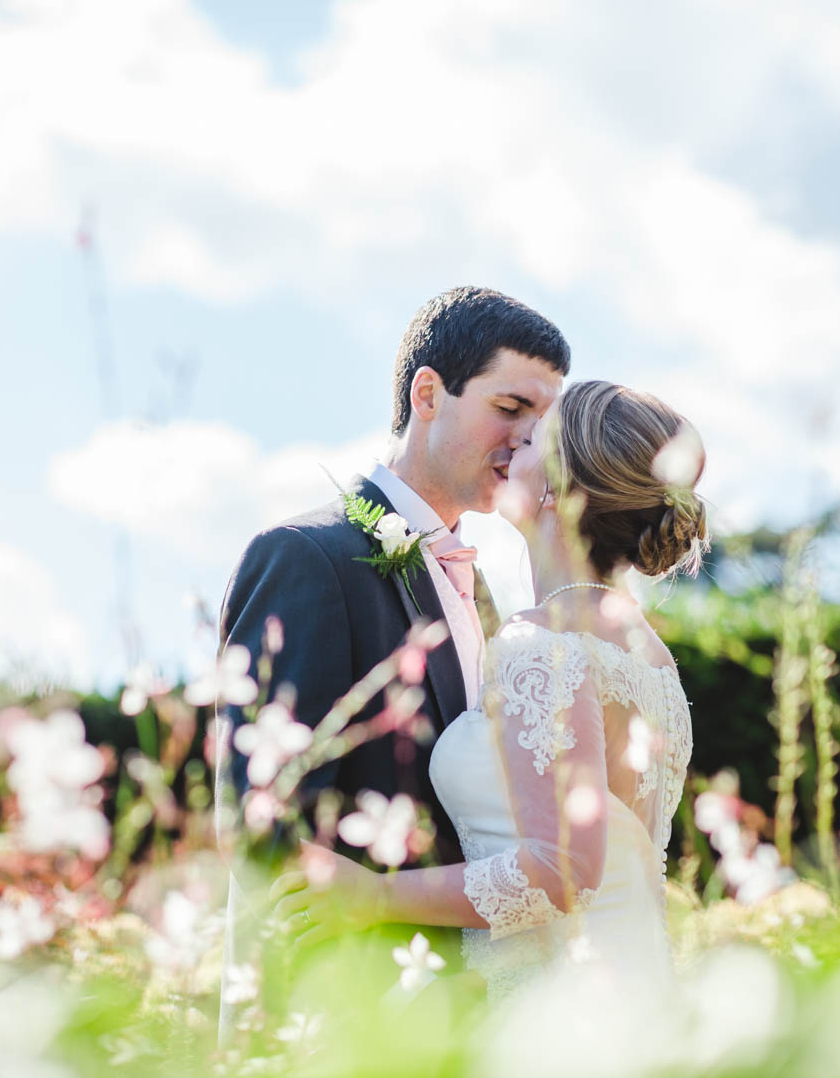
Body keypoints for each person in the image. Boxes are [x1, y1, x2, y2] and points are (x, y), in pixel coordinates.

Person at [273, 379, 707, 1004]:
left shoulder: (542, 643)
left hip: (553, 1004)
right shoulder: (647, 653)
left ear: (556, 488)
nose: (509, 447)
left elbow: (563, 870)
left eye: (530, 439)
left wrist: (375, 897)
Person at [212, 286, 569, 1035]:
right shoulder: (308, 558)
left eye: (544, 422)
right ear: (429, 392)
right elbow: (265, 824)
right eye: (511, 408)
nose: (529, 440)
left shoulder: (490, 600)